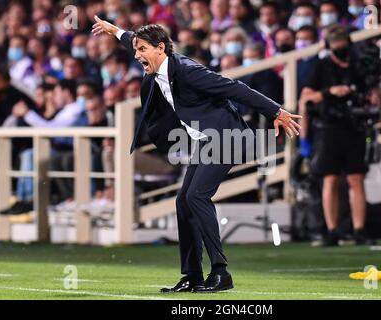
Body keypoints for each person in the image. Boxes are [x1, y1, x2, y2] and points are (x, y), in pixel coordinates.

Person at [92, 16, 301, 293]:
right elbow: (130, 37)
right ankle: (192, 275)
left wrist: (276, 111)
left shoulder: (188, 70)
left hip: (227, 137)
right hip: (205, 141)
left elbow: (235, 88)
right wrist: (114, 30)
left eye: (142, 49)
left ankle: (220, 272)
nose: (137, 54)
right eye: (135, 50)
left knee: (196, 196)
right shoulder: (156, 65)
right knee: (183, 201)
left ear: (161, 49)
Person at [299, 24, 370, 246]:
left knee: (356, 178)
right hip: (328, 129)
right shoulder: (322, 66)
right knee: (329, 179)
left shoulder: (359, 65)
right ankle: (332, 229)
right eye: (335, 42)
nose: (339, 46)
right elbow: (305, 99)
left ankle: (359, 229)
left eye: (342, 41)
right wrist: (329, 92)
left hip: (355, 127)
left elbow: (373, 92)